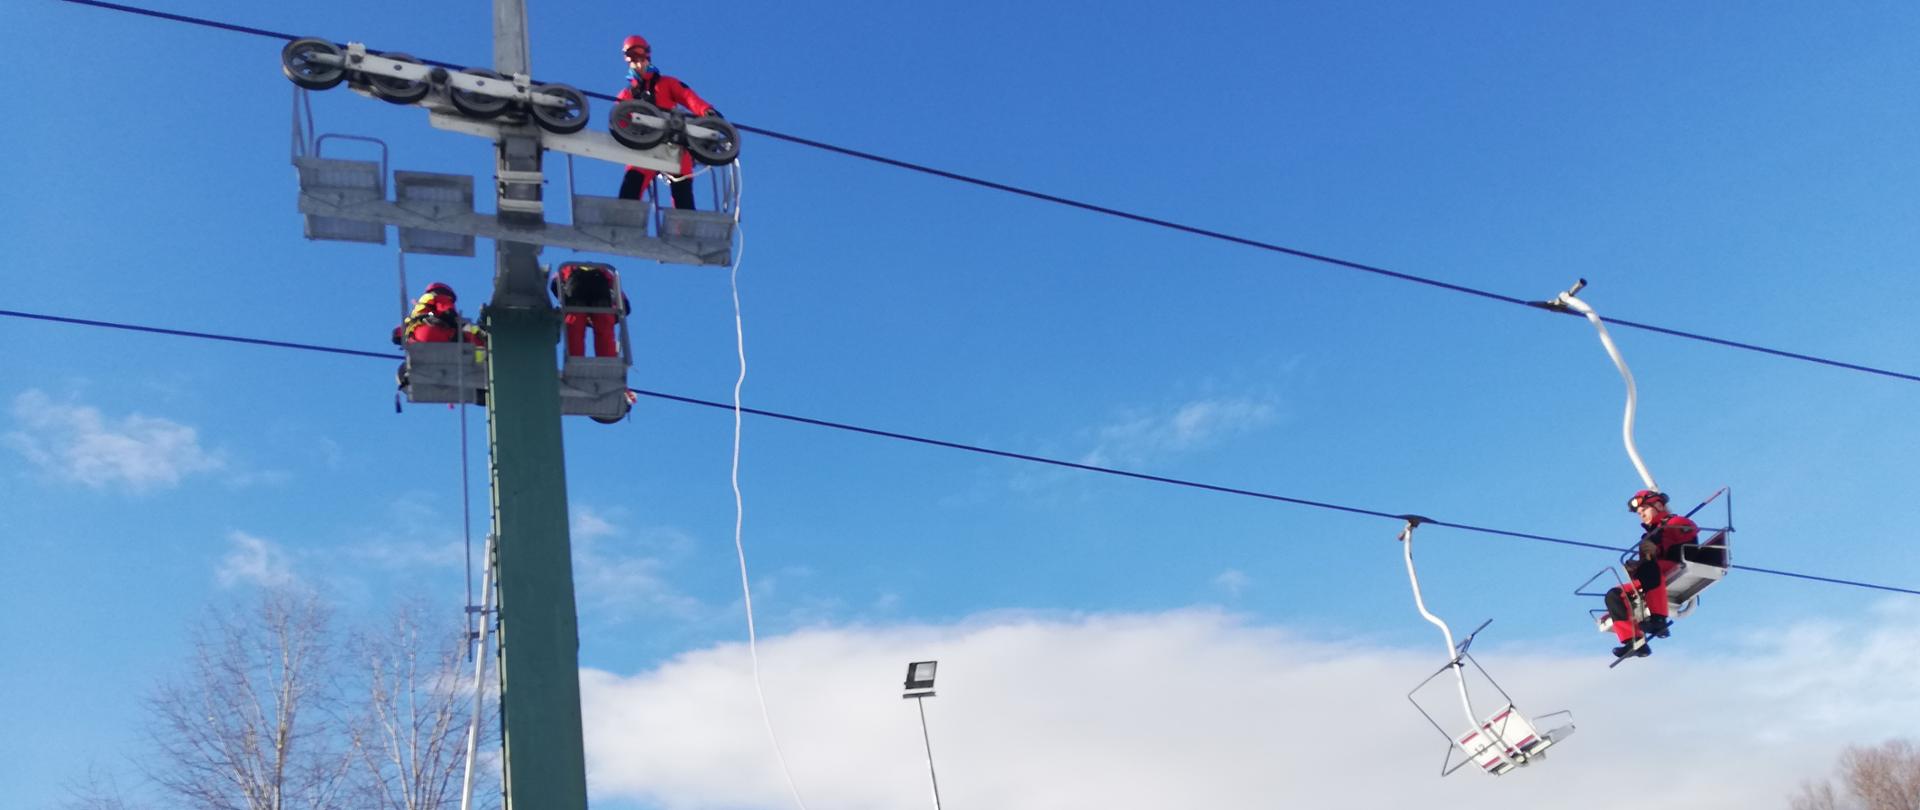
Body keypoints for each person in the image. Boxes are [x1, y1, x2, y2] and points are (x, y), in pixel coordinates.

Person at [614, 34, 720, 210]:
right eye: (633, 59)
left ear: (648, 57)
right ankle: (623, 218)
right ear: (628, 61)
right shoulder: (627, 95)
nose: (638, 63)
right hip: (644, 146)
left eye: (641, 58)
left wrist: (707, 111)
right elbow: (619, 120)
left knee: (682, 192)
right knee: (631, 185)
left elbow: (687, 96)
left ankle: (685, 229)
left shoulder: (665, 84)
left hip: (674, 143)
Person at [1604, 489, 1699, 659]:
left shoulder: (1676, 522)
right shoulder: (1648, 536)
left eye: (1644, 510)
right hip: (1656, 572)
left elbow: (1689, 537)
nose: (1641, 515)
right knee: (1614, 595)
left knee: (1648, 568)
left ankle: (1658, 619)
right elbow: (1648, 562)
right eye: (1639, 513)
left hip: (1676, 564)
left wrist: (1658, 542)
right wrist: (1637, 565)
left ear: (1658, 505)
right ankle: (1633, 641)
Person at [391, 282, 487, 396]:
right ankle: (485, 352)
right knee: (467, 332)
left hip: (417, 344)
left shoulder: (415, 314)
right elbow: (448, 313)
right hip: (434, 334)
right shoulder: (439, 297)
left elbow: (396, 335)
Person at [548, 263, 631, 358]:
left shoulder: (568, 267)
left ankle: (575, 359)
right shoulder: (604, 271)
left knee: (574, 326)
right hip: (599, 286)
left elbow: (555, 283)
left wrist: (564, 300)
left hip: (576, 287)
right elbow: (623, 302)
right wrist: (614, 316)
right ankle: (608, 359)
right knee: (604, 325)